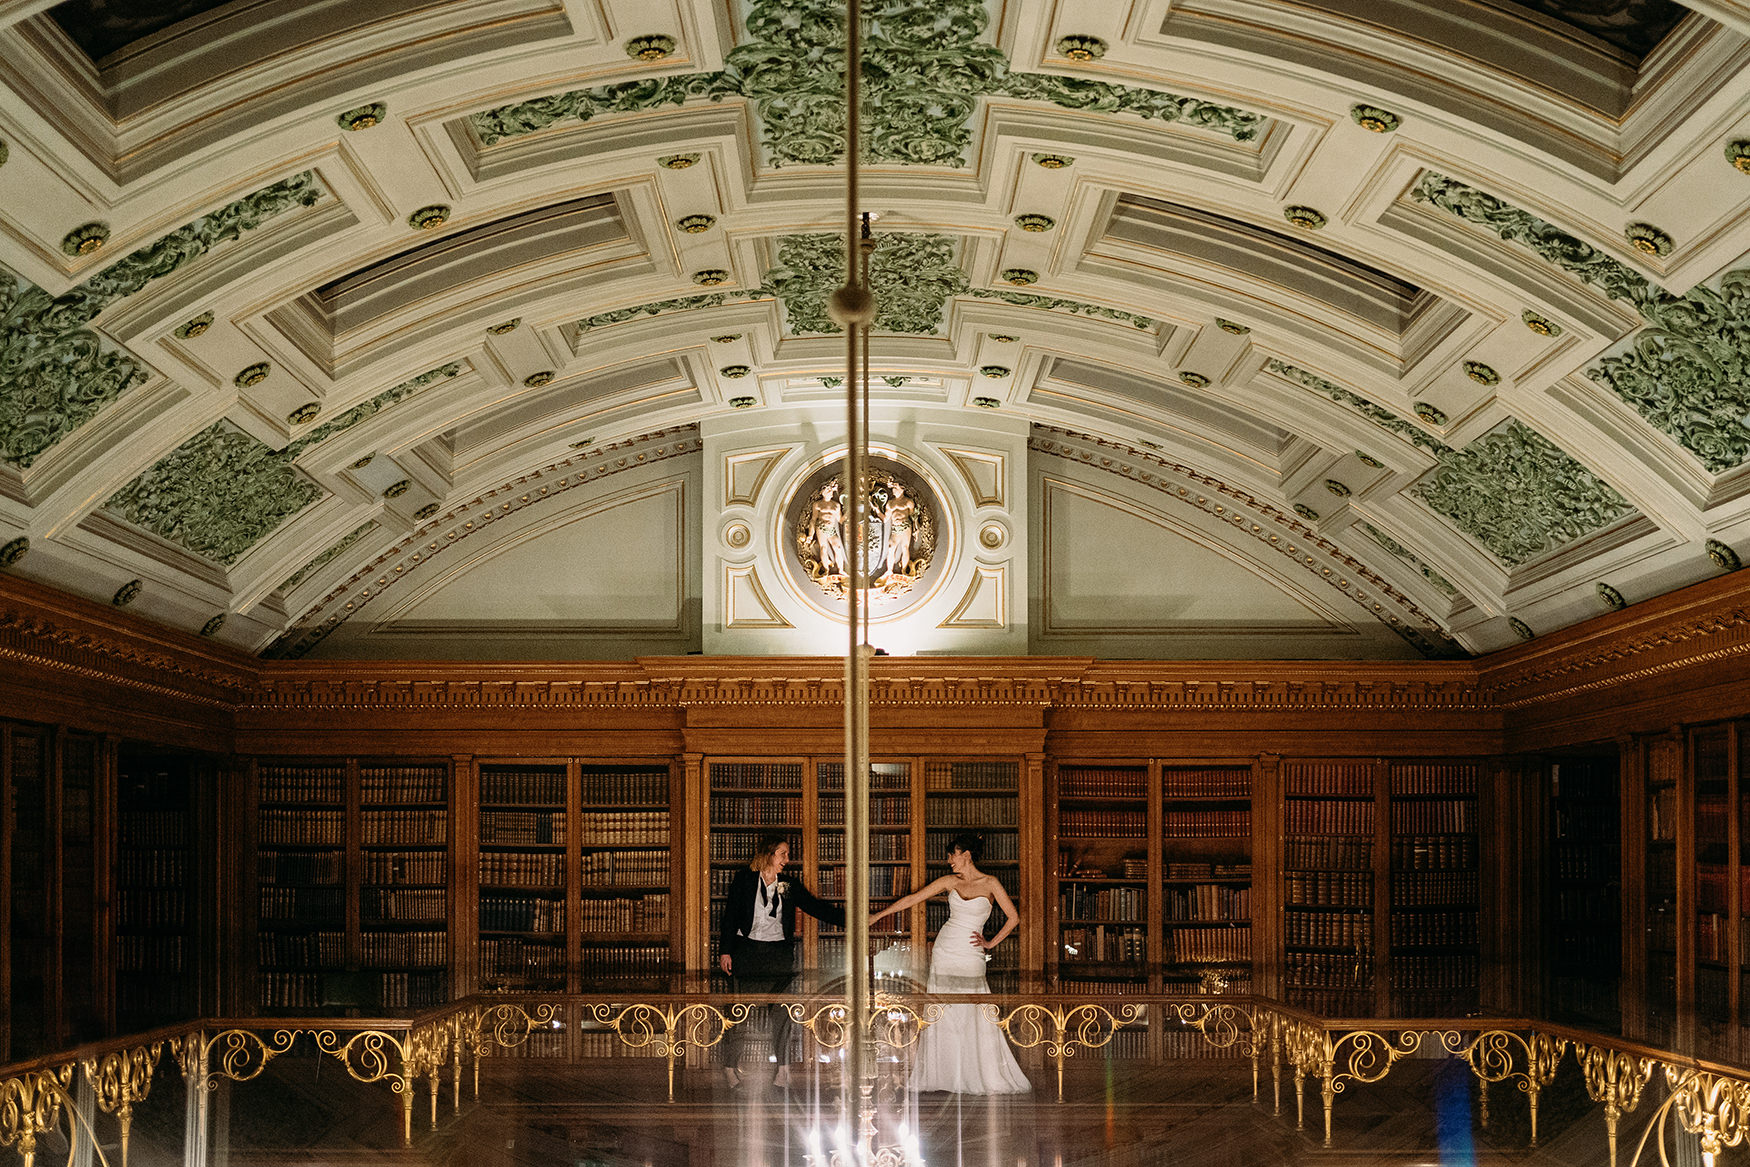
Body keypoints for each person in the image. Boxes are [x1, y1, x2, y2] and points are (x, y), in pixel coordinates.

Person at [870, 832, 1031, 1093]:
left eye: (952, 855)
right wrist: (878, 916)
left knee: (974, 1007)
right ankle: (942, 1074)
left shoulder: (990, 883)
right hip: (945, 950)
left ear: (966, 855)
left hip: (970, 954)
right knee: (942, 1007)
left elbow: (1014, 917)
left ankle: (979, 1073)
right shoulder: (948, 881)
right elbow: (913, 899)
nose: (949, 861)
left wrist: (990, 943)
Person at [717, 835, 843, 1089]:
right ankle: (730, 1070)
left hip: (778, 956)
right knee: (738, 1014)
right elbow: (730, 915)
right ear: (768, 854)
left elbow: (815, 908)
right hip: (747, 954)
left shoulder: (788, 884)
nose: (787, 859)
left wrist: (853, 919)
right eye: (782, 853)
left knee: (782, 1014)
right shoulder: (744, 880)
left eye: (787, 854)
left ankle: (783, 1071)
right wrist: (725, 951)